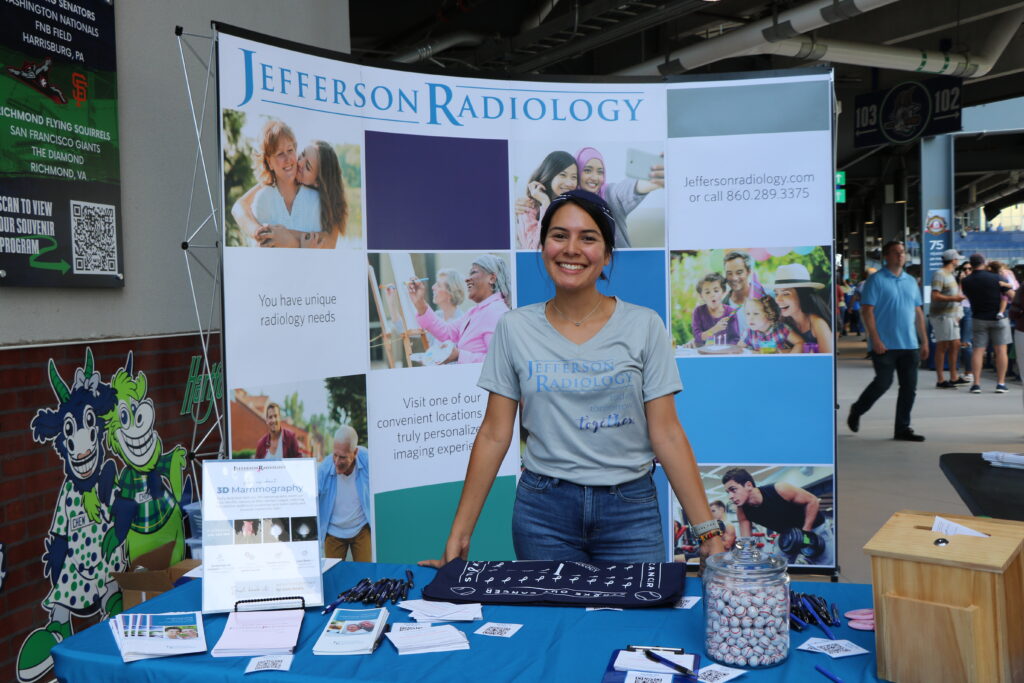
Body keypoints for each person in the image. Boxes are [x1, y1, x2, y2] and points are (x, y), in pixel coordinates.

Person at [420, 189, 724, 566]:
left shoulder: (644, 325)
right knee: (552, 622)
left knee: (633, 623)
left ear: (607, 252)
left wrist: (708, 531)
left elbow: (667, 433)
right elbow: (495, 433)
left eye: (588, 237)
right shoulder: (514, 328)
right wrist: (460, 533)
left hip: (630, 510)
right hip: (543, 513)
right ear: (543, 245)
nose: (571, 248)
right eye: (559, 235)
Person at [847, 241, 929, 441]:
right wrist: (875, 339)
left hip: (909, 344)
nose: (901, 256)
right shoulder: (876, 280)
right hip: (884, 344)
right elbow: (867, 311)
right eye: (896, 252)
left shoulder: (911, 281)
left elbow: (918, 312)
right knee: (883, 383)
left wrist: (924, 341)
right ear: (886, 256)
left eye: (903, 252)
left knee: (909, 388)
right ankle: (857, 409)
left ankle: (902, 428)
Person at [408, 255, 511, 364]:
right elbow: (447, 333)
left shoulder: (496, 312)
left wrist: (459, 355)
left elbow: (500, 362)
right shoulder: (474, 312)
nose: (467, 279)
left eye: (473, 272)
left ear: (492, 278)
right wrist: (420, 303)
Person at [721, 468, 834, 565]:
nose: (730, 496)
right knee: (777, 567)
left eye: (733, 490)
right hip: (788, 534)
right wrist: (748, 560)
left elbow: (812, 501)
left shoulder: (780, 489)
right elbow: (747, 542)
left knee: (825, 565)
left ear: (749, 485)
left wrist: (805, 532)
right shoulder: (742, 511)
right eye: (728, 492)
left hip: (814, 528)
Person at [575, 147, 664, 248]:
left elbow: (628, 189)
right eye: (587, 170)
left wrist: (655, 179)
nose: (595, 177)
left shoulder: (609, 194)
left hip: (620, 262)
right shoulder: (567, 206)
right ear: (576, 172)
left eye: (600, 172)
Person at [316, 426, 372, 562]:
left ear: (355, 452)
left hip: (361, 527)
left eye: (343, 457)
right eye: (335, 455)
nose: (337, 461)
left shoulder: (368, 460)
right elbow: (311, 497)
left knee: (367, 573)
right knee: (333, 575)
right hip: (334, 531)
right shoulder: (324, 469)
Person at [961, 253, 1014, 394]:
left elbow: (968, 296)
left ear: (971, 265)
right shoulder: (997, 278)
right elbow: (1012, 296)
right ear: (983, 262)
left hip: (978, 318)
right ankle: (1001, 384)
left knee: (978, 350)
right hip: (999, 319)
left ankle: (976, 384)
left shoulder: (966, 281)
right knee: (1001, 351)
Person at [516, 151, 577, 249]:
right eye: (563, 175)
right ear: (550, 174)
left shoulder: (573, 209)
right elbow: (533, 249)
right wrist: (546, 204)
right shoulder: (529, 206)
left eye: (574, 177)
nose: (569, 183)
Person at [773, 263, 833, 353]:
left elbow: (827, 361)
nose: (777, 299)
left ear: (802, 296)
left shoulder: (818, 324)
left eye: (785, 294)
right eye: (776, 294)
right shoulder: (783, 321)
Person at [929, 249, 968, 388]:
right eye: (957, 259)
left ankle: (953, 376)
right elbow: (935, 295)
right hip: (942, 315)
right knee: (943, 345)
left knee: (955, 344)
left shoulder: (950, 274)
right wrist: (955, 298)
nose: (958, 261)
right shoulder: (940, 274)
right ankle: (940, 379)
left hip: (951, 315)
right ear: (953, 260)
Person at [722, 251, 766, 339]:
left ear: (748, 272)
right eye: (729, 273)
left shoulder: (765, 299)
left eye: (739, 272)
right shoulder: (723, 305)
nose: (734, 278)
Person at [738, 295, 804, 354]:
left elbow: (800, 342)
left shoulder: (781, 329)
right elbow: (739, 350)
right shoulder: (748, 333)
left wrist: (788, 355)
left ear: (770, 314)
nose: (750, 318)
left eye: (756, 313)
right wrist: (754, 353)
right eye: (748, 314)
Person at [690, 273, 739, 347]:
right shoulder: (698, 312)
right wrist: (715, 329)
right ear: (701, 296)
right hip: (705, 354)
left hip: (725, 353)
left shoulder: (730, 312)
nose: (712, 295)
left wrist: (725, 351)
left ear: (723, 292)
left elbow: (735, 339)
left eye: (716, 291)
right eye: (707, 292)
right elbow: (697, 338)